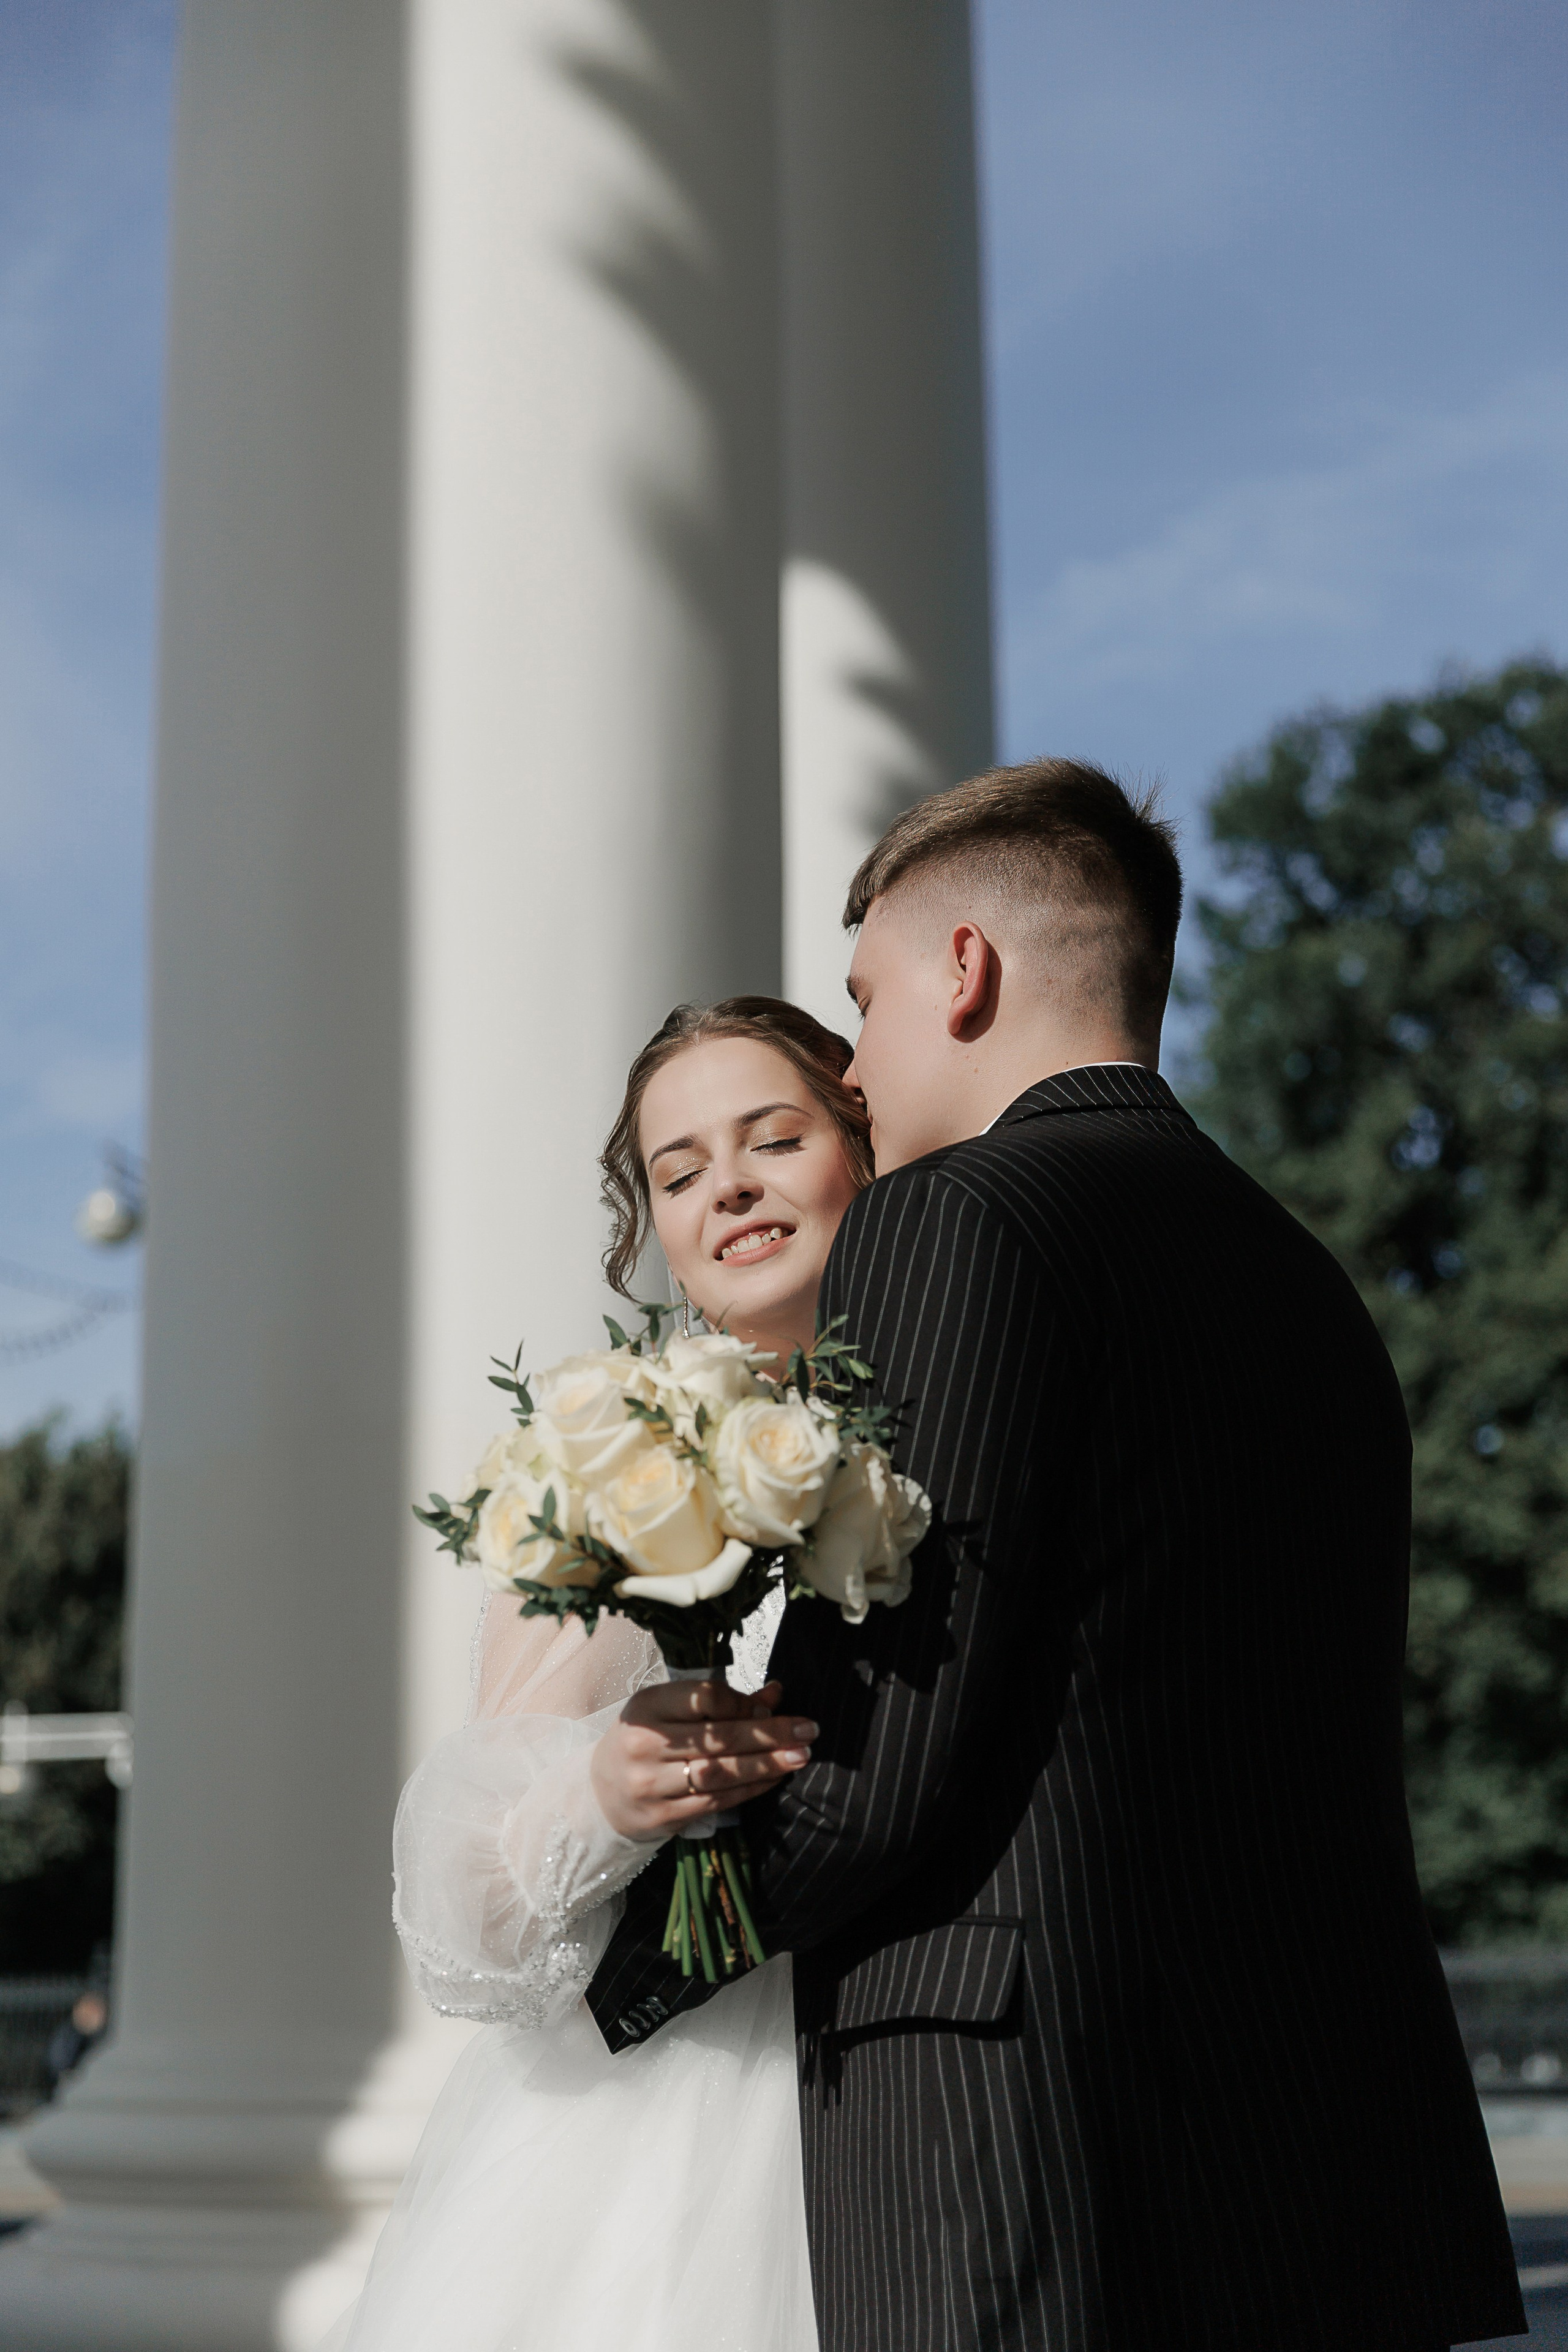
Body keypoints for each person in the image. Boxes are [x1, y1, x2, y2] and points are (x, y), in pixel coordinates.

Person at [588, 759, 1525, 2352]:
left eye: (865, 1002)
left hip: (1028, 2161)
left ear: (965, 972)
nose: (862, 1068)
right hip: (1336, 2161)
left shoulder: (948, 1220)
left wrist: (628, 1974)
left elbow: (876, 1760)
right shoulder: (1306, 1280)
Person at [319, 997, 870, 2352]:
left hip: (895, 2088)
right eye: (677, 1172)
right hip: (650, 2134)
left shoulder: (952, 1413)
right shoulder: (617, 1461)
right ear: (657, 1232)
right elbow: (464, 1916)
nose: (727, 1185)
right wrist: (607, 1801)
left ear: (864, 1146)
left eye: (773, 1137)